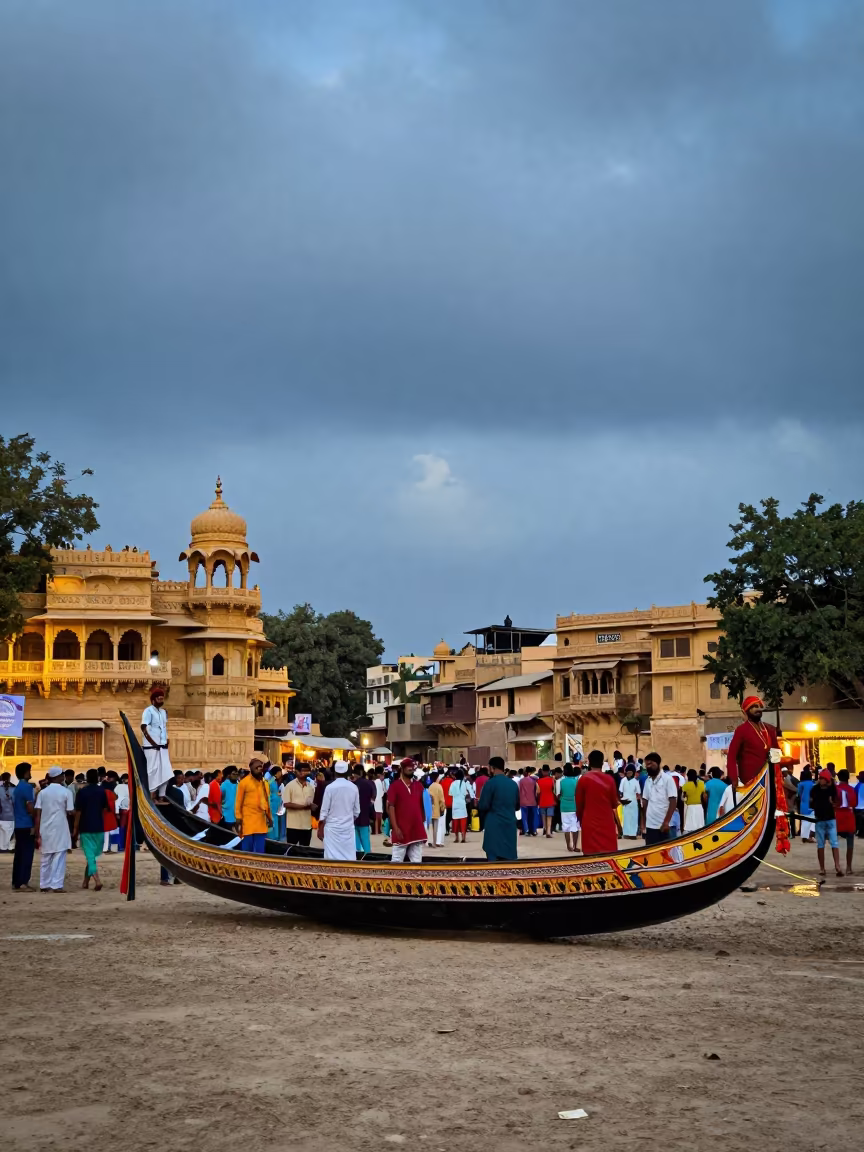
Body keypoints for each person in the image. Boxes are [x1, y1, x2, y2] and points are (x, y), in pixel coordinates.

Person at [33, 765, 74, 891]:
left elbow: (38, 813)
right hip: (60, 827)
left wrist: (37, 831)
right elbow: (70, 811)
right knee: (59, 856)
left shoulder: (42, 793)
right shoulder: (66, 792)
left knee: (46, 857)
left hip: (45, 828)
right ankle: (56, 884)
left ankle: (44, 884)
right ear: (59, 776)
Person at [725, 695, 780, 787]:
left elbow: (776, 752)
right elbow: (731, 756)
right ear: (745, 711)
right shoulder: (741, 730)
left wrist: (777, 775)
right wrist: (734, 779)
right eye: (754, 707)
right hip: (750, 781)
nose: (758, 709)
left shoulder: (770, 729)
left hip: (770, 779)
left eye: (759, 706)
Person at [575, 750, 622, 854]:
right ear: (602, 763)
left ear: (589, 762)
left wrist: (581, 819)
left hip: (589, 822)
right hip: (607, 822)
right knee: (608, 853)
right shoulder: (609, 780)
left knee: (590, 853)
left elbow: (579, 805)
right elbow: (614, 803)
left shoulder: (583, 779)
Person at [478, 756, 520, 861]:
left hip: (494, 825)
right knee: (509, 859)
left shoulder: (490, 783)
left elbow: (483, 805)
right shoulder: (513, 784)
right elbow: (517, 806)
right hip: (509, 824)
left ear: (492, 768)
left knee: (493, 860)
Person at [387, 758, 427, 863]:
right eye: (409, 769)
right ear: (402, 769)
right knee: (396, 861)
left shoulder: (418, 785)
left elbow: (423, 805)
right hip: (401, 829)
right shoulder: (394, 786)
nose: (411, 771)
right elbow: (391, 807)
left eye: (412, 769)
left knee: (417, 861)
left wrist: (423, 823)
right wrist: (395, 828)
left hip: (416, 829)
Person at [74, 769, 108, 890]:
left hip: (86, 826)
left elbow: (78, 812)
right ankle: (85, 882)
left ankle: (97, 880)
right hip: (98, 826)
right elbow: (104, 809)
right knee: (92, 857)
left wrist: (75, 829)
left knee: (90, 857)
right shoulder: (102, 791)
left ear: (87, 778)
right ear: (98, 778)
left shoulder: (82, 792)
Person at [318, 761, 360, 861]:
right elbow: (356, 811)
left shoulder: (330, 788)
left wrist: (320, 828)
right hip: (347, 829)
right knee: (348, 856)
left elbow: (324, 811)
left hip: (332, 829)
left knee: (331, 857)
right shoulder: (354, 788)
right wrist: (348, 820)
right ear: (347, 773)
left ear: (334, 772)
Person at [141, 685, 173, 802]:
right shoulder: (148, 711)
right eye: (159, 699)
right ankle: (152, 796)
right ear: (153, 700)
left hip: (163, 747)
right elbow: (144, 728)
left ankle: (162, 795)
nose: (161, 701)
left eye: (162, 698)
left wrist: (166, 739)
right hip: (151, 747)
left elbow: (163, 728)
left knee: (166, 771)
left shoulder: (164, 712)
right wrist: (152, 743)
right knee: (152, 771)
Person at [809, 768, 843, 877]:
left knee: (834, 843)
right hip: (820, 819)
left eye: (823, 778)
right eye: (820, 778)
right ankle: (822, 868)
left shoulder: (831, 789)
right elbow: (811, 803)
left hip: (830, 819)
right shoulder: (815, 789)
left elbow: (837, 800)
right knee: (820, 845)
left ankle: (837, 866)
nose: (821, 780)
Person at [235, 757, 273, 852]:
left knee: (260, 850)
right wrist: (238, 818)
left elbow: (267, 802)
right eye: (256, 767)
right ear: (251, 769)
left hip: (261, 821)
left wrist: (270, 818)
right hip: (248, 821)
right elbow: (238, 802)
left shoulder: (265, 784)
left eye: (260, 767)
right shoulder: (244, 783)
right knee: (247, 850)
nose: (259, 769)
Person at [641, 752, 679, 846]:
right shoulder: (647, 781)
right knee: (651, 856)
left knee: (666, 856)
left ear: (657, 763)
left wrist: (666, 822)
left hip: (664, 826)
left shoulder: (667, 779)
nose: (648, 767)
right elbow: (645, 802)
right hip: (650, 826)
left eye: (651, 764)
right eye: (647, 765)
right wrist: (643, 823)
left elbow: (673, 802)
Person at [12, 762, 36, 891]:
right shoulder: (27, 788)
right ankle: (23, 882)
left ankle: (16, 881)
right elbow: (30, 807)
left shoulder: (17, 788)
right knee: (27, 854)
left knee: (19, 854)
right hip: (27, 824)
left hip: (18, 824)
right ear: (26, 772)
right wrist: (35, 819)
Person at [282, 766, 315, 847]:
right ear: (296, 772)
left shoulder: (311, 787)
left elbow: (312, 803)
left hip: (306, 826)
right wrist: (303, 807)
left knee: (305, 851)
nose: (304, 773)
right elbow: (286, 804)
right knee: (291, 850)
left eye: (307, 771)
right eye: (302, 771)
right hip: (293, 826)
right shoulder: (290, 785)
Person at [835, 769, 857, 875]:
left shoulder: (835, 789)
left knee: (835, 844)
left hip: (837, 816)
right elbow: (854, 803)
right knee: (850, 844)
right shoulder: (851, 789)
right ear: (848, 778)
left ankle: (837, 865)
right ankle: (849, 867)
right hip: (848, 816)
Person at [352, 765, 377, 854]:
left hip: (353, 817)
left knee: (355, 841)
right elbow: (372, 800)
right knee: (366, 840)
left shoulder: (352, 784)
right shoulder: (370, 784)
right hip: (365, 815)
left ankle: (356, 857)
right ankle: (367, 857)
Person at [449, 768, 474, 845]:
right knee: (463, 821)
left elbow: (450, 793)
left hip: (455, 804)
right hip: (462, 804)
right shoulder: (464, 783)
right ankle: (463, 838)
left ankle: (456, 838)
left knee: (455, 821)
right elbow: (467, 793)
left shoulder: (453, 783)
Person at [559, 763, 581, 852]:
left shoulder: (561, 781)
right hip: (574, 806)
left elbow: (559, 794)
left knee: (566, 827)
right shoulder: (576, 781)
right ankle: (575, 846)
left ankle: (569, 846)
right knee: (575, 827)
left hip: (564, 807)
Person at [618, 764, 641, 839]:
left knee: (634, 818)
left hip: (633, 802)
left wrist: (639, 801)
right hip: (625, 801)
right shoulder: (623, 780)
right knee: (626, 818)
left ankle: (633, 834)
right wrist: (621, 799)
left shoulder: (635, 781)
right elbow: (620, 791)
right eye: (628, 772)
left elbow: (638, 792)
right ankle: (626, 833)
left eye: (630, 772)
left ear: (633, 773)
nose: (629, 774)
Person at [536, 766, 556, 838]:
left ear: (542, 771)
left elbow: (538, 792)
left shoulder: (538, 781)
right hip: (550, 800)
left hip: (542, 801)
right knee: (549, 816)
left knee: (543, 816)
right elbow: (554, 790)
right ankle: (548, 831)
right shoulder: (552, 780)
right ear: (549, 771)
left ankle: (545, 829)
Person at [518, 767, 539, 837]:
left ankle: (526, 830)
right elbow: (537, 791)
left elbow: (519, 791)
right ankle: (533, 830)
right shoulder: (534, 780)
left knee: (524, 817)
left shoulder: (521, 781)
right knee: (532, 817)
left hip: (523, 801)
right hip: (533, 801)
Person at [427, 770, 445, 848]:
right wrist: (443, 808)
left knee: (430, 827)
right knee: (436, 827)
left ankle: (430, 841)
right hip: (437, 809)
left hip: (430, 809)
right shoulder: (439, 786)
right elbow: (441, 799)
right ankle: (435, 842)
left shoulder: (430, 786)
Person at [798, 767, 816, 842]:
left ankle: (804, 836)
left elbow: (799, 794)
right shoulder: (813, 784)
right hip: (811, 804)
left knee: (804, 821)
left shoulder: (800, 784)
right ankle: (810, 836)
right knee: (812, 820)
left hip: (803, 804)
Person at [0, 771, 14, 851]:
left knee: (2, 834)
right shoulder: (13, 788)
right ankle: (7, 847)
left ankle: (2, 848)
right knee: (9, 834)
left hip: (1, 815)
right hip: (10, 815)